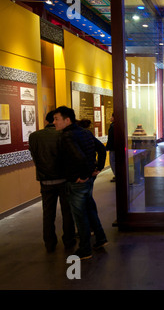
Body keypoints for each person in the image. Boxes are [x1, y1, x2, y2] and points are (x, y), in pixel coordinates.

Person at [53, 106, 108, 260]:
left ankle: (85, 249)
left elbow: (79, 157)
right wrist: (98, 168)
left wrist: (82, 175)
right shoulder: (85, 132)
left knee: (80, 216)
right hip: (89, 179)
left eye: (57, 119)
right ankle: (101, 238)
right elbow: (101, 150)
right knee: (90, 209)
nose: (54, 122)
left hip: (78, 181)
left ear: (67, 120)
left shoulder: (66, 136)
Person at [29, 110, 76, 252]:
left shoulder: (34, 136)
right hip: (63, 180)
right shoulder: (62, 135)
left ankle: (49, 243)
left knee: (48, 213)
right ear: (54, 120)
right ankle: (69, 241)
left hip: (45, 180)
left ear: (46, 121)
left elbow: (35, 156)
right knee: (67, 212)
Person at [106, 113, 115, 182]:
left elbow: (111, 138)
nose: (110, 118)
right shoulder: (115, 126)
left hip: (113, 147)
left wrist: (108, 146)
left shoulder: (113, 126)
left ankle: (117, 175)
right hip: (114, 147)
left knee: (112, 161)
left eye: (112, 116)